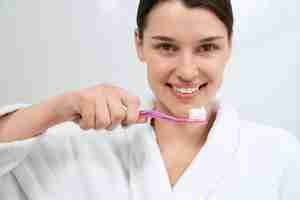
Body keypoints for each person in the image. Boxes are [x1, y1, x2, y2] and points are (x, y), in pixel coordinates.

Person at [0, 0, 299, 199]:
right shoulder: (77, 148)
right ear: (139, 44)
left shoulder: (279, 154)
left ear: (230, 45)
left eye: (207, 47)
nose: (186, 71)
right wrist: (60, 107)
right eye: (167, 47)